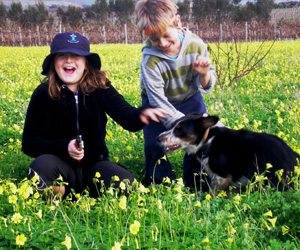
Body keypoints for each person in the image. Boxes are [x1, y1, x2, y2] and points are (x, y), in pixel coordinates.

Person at [22, 32, 167, 199]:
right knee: (40, 170)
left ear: (86, 62)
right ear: (53, 62)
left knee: (128, 186)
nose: (69, 60)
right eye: (62, 56)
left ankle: (84, 193)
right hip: (59, 164)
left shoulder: (100, 87)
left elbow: (127, 117)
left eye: (76, 55)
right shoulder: (43, 94)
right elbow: (29, 143)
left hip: (95, 166)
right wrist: (64, 147)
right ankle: (61, 200)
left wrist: (142, 114)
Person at [135, 0, 217, 188]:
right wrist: (182, 125)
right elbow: (157, 100)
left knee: (201, 137)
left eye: (166, 35)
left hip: (189, 98)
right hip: (156, 103)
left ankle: (197, 181)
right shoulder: (149, 58)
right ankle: (161, 183)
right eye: (154, 39)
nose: (162, 43)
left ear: (177, 22)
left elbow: (206, 84)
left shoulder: (196, 45)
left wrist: (203, 74)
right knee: (155, 143)